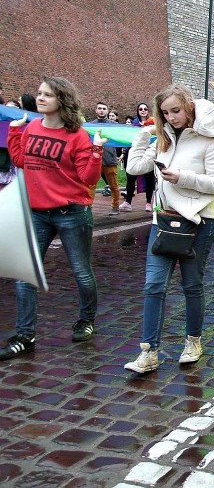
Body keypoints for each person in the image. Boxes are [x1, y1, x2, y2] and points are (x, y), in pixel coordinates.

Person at [123, 84, 214, 373]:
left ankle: (193, 341)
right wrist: (143, 136)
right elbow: (133, 169)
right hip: (164, 220)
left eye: (176, 110)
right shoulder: (163, 137)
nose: (171, 117)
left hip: (200, 222)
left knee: (191, 285)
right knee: (153, 285)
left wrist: (182, 177)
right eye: (165, 113)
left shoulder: (210, 139)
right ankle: (149, 352)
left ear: (189, 106)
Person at [0, 76, 107, 360]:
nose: (40, 98)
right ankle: (25, 335)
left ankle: (86, 320)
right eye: (39, 93)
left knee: (81, 272)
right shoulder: (32, 127)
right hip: (37, 213)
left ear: (63, 100)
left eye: (47, 94)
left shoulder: (78, 136)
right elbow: (22, 161)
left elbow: (88, 178)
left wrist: (96, 151)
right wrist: (13, 133)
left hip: (71, 212)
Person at [119, 103, 156, 212]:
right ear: (137, 111)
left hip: (149, 154)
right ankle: (128, 202)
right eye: (140, 109)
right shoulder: (133, 125)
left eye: (145, 108)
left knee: (149, 179)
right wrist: (123, 154)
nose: (143, 110)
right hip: (135, 154)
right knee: (130, 178)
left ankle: (149, 202)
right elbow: (128, 139)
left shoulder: (153, 122)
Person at [93, 101, 122, 215]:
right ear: (96, 110)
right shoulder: (91, 125)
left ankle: (115, 207)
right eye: (99, 108)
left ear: (107, 111)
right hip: (95, 159)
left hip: (109, 159)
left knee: (114, 186)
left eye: (104, 108)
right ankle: (88, 207)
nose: (101, 110)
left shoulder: (114, 125)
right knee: (91, 186)